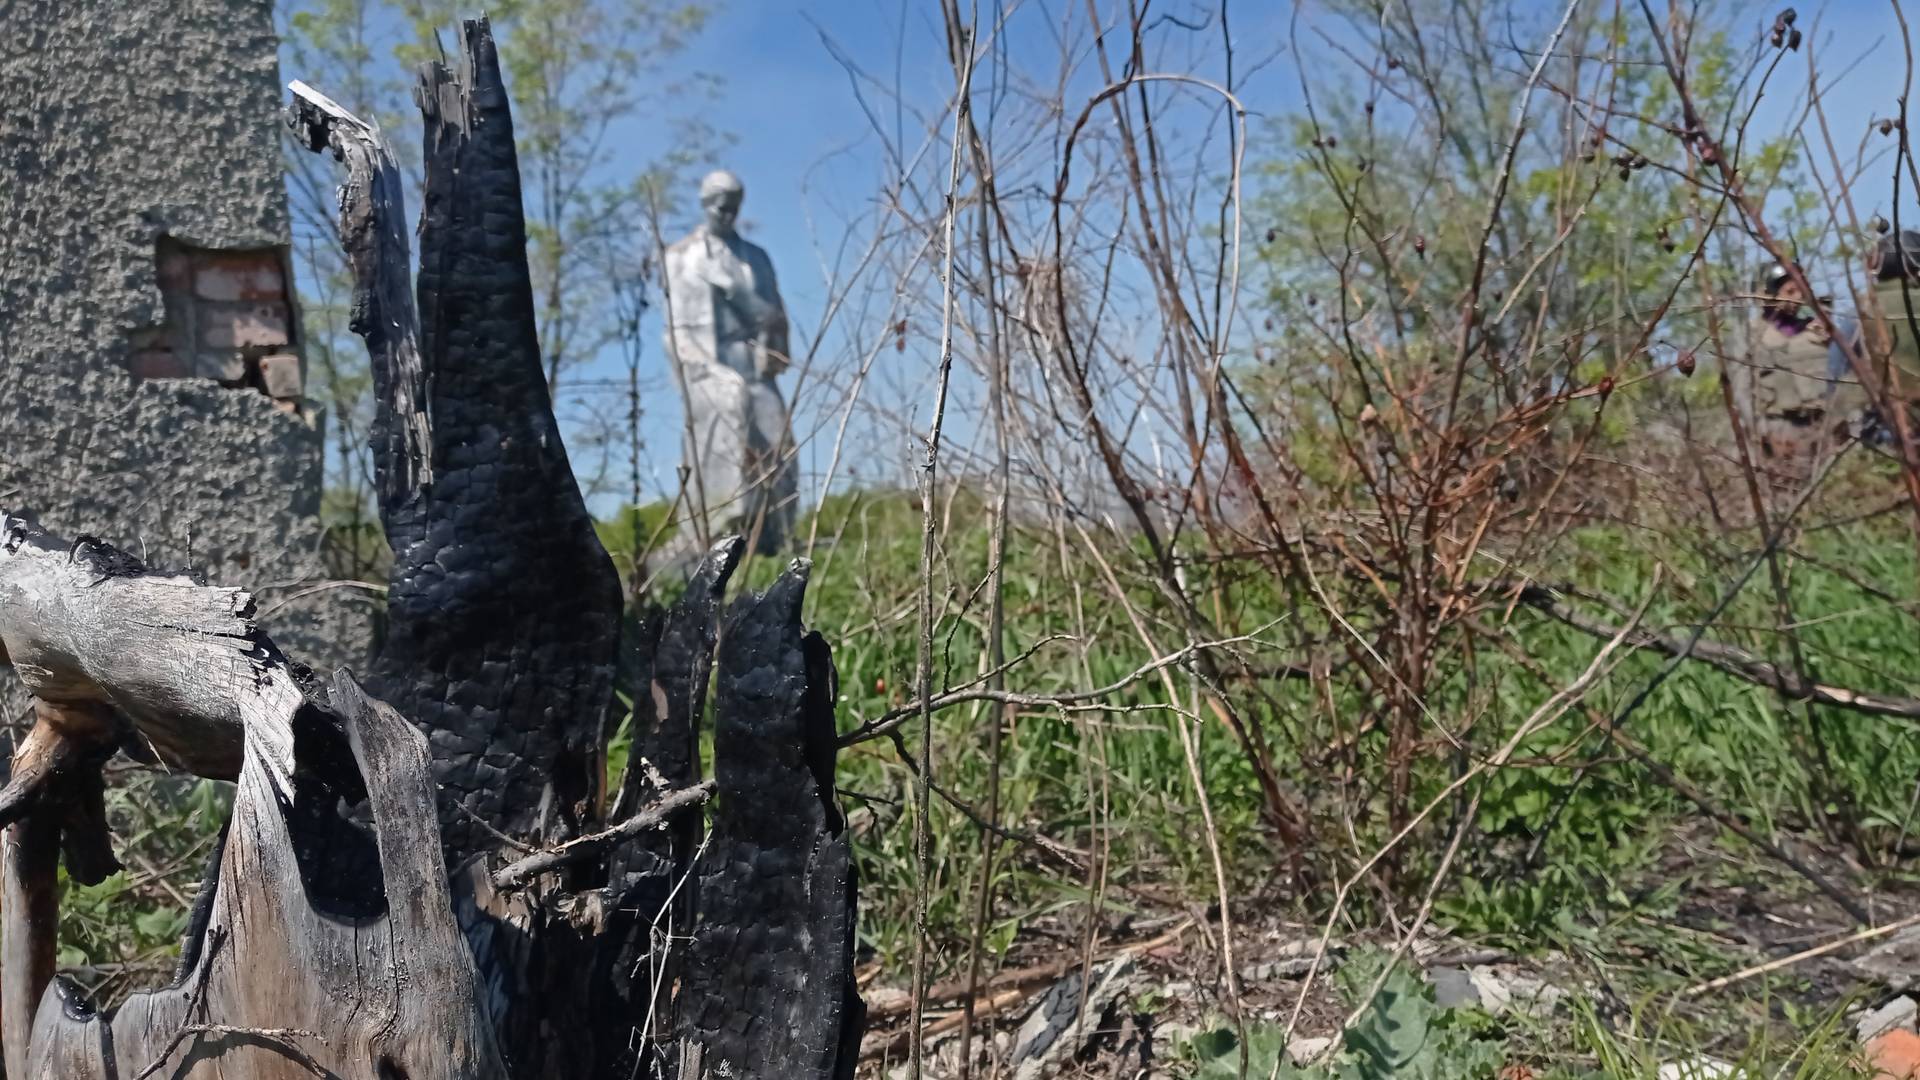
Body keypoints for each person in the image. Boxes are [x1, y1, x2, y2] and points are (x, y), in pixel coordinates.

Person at [661, 169, 798, 558]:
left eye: (733, 207)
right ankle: (715, 533)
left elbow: (774, 316)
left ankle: (774, 540)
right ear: (705, 205)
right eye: (720, 206)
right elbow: (676, 328)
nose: (726, 214)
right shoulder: (680, 257)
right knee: (727, 420)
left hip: (755, 367)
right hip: (706, 368)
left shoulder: (756, 258)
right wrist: (705, 371)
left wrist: (739, 294)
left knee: (778, 444)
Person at [1734, 260, 1849, 463]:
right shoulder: (1750, 337)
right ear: (1769, 294)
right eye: (1789, 291)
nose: (1797, 297)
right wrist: (1761, 432)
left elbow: (1843, 381)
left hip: (1821, 428)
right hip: (1778, 430)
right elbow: (1742, 392)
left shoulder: (1816, 333)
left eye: (1800, 290)